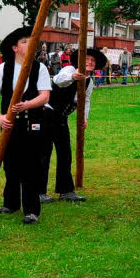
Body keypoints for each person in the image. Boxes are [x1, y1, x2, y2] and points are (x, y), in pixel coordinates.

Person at [0, 27, 52, 224]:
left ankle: (31, 211)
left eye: (30, 41)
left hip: (33, 123)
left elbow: (44, 96)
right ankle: (10, 204)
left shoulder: (39, 68)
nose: (29, 44)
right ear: (15, 47)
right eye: (24, 41)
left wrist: (27, 105)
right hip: (9, 125)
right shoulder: (3, 68)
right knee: (10, 165)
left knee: (31, 166)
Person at [43, 47, 107, 203]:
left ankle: (65, 191)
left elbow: (85, 101)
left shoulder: (89, 81)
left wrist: (84, 118)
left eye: (93, 61)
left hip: (61, 119)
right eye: (87, 59)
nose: (90, 62)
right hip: (46, 115)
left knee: (65, 154)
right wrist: (73, 76)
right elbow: (58, 80)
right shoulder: (69, 69)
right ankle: (38, 191)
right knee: (43, 154)